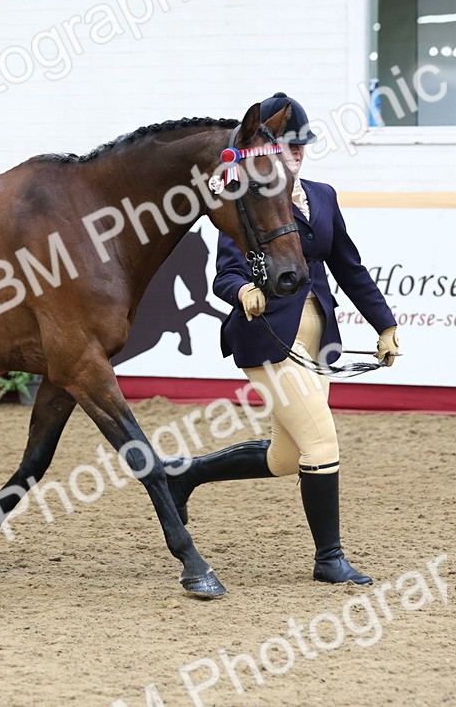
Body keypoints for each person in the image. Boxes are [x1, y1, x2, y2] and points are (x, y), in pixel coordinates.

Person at [168, 93, 399, 585]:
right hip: (268, 337)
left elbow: (349, 267)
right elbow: (224, 274)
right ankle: (329, 559)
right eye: (288, 147)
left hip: (320, 339)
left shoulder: (324, 195)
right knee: (322, 443)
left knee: (287, 457)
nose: (296, 155)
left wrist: (385, 324)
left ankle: (185, 474)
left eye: (301, 146)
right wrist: (244, 289)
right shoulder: (248, 198)